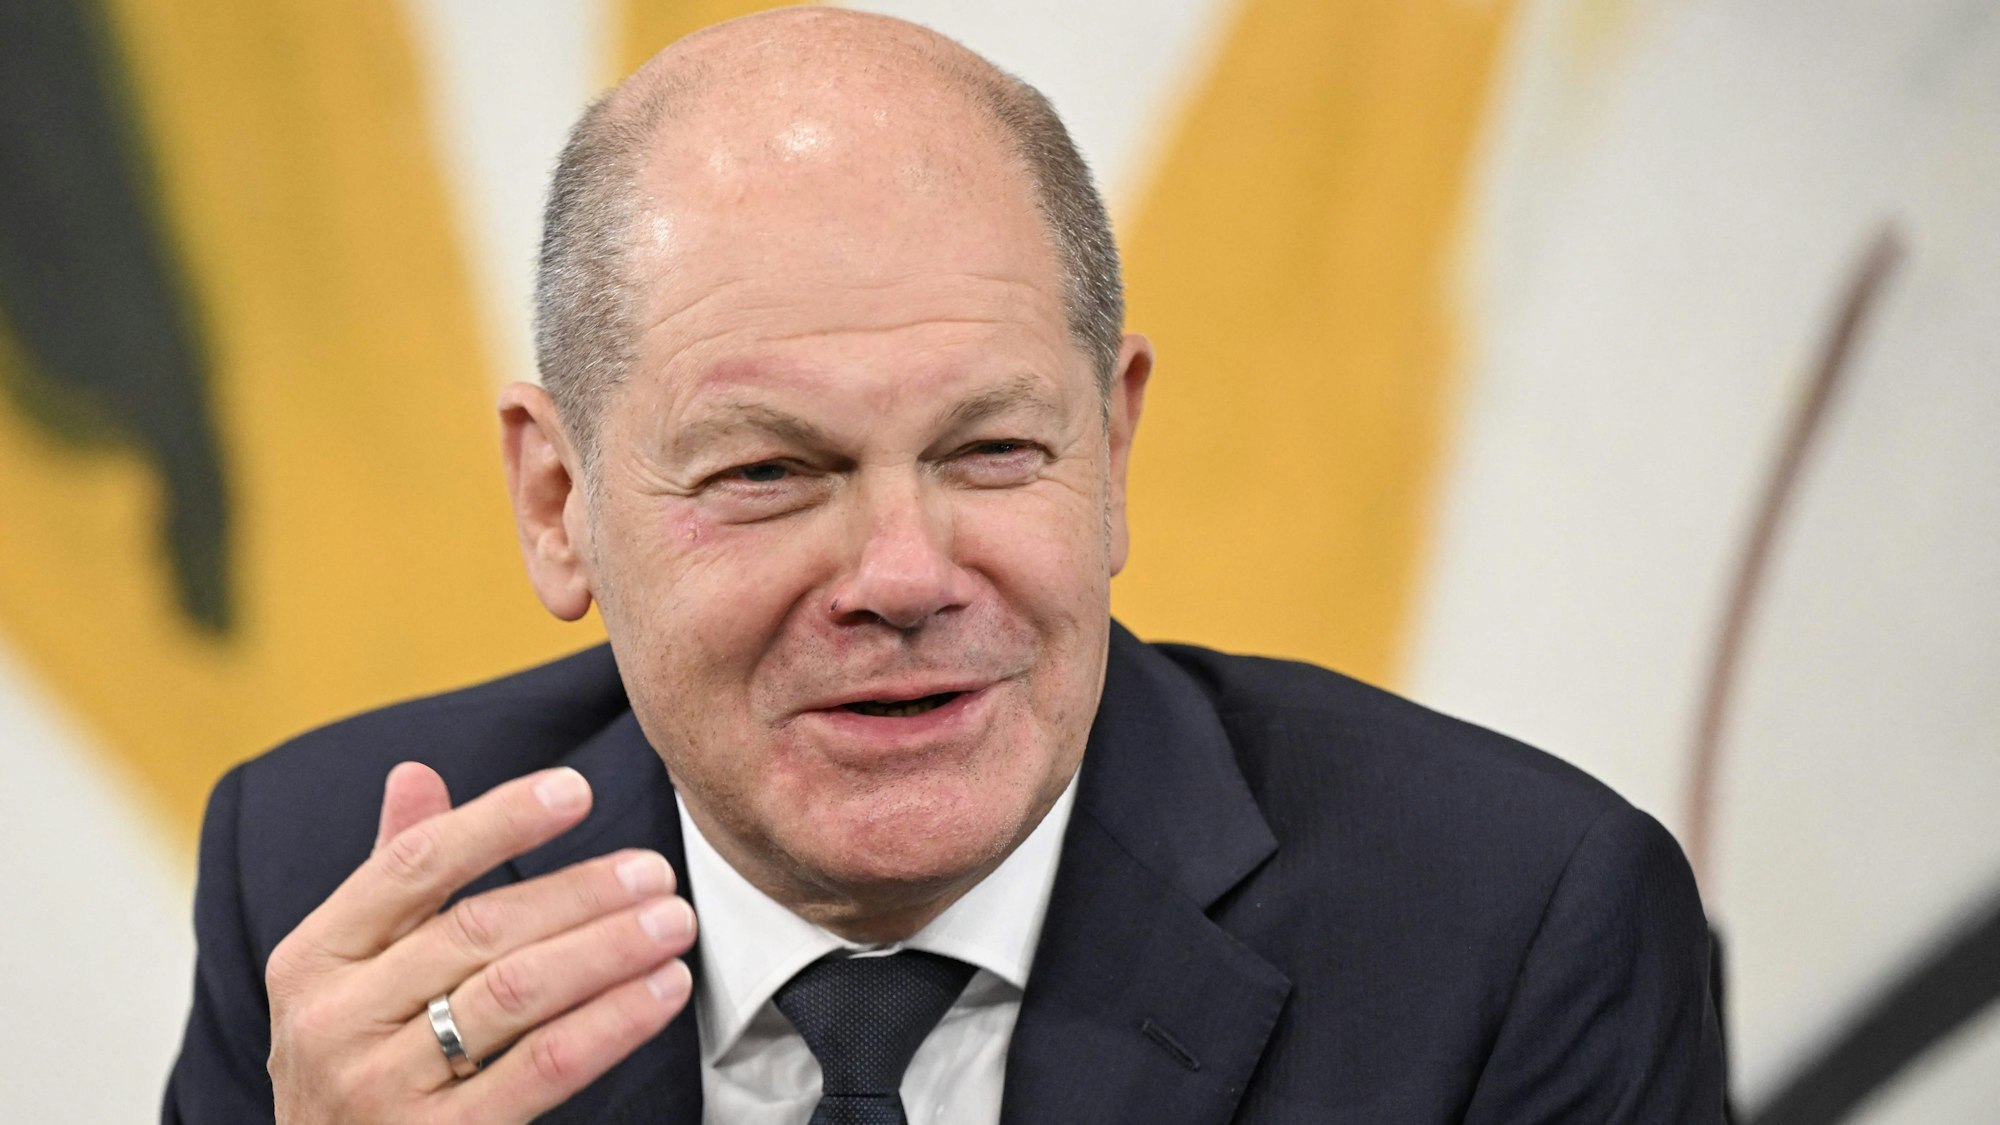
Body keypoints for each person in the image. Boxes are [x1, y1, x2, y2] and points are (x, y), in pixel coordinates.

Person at [164, 8, 1725, 1123]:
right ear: (559, 497)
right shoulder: (333, 902)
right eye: (771, 471)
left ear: (1112, 454)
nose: (904, 574)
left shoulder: (1514, 925)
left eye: (991, 451)